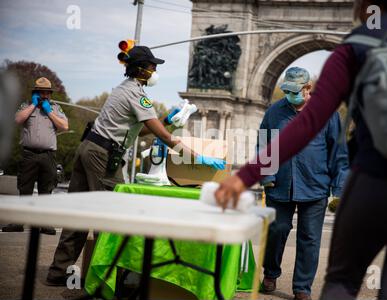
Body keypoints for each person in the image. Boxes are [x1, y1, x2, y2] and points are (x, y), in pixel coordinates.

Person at [215, 0, 387, 300]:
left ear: (361, 5)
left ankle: (303, 288)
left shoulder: (357, 45)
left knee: (342, 280)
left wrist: (244, 176)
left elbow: (312, 121)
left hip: (379, 179)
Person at [46, 45, 225, 286]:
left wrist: (167, 121)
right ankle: (106, 280)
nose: (155, 71)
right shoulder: (136, 94)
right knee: (112, 216)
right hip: (103, 156)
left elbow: (139, 133)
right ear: (141, 70)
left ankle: (58, 273)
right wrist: (197, 157)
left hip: (89, 148)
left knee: (79, 214)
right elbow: (163, 137)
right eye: (152, 67)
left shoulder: (124, 89)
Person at [258, 67, 349, 300]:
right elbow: (263, 144)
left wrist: (339, 187)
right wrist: (267, 176)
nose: (290, 94)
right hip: (280, 184)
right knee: (277, 230)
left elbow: (338, 151)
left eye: (294, 90)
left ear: (308, 88)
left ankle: (302, 288)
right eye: (286, 90)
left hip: (315, 184)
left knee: (309, 238)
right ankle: (270, 274)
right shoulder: (274, 112)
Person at [2, 77, 69, 235]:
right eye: (41, 92)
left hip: (48, 156)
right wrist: (33, 105)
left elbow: (65, 126)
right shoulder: (26, 105)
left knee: (46, 190)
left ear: (50, 94)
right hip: (29, 155)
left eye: (47, 92)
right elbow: (18, 119)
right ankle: (18, 222)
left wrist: (49, 111)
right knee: (24, 189)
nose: (45, 95)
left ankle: (43, 223)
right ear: (36, 92)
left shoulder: (55, 108)